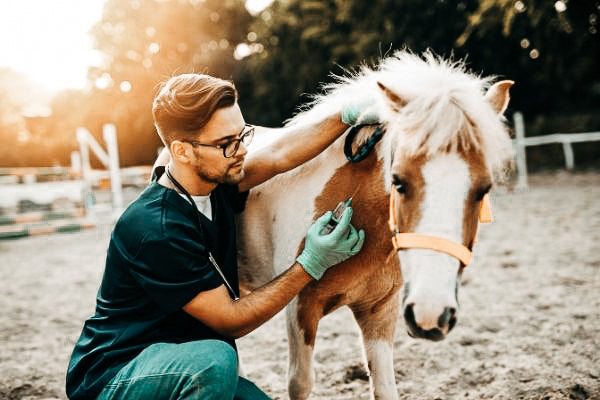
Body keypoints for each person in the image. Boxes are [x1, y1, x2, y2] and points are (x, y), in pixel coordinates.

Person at [66, 73, 376, 400]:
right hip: (116, 375)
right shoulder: (156, 228)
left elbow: (279, 156)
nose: (241, 150)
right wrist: (311, 263)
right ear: (182, 152)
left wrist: (344, 116)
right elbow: (230, 320)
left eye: (242, 135)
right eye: (226, 143)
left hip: (184, 363)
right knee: (216, 361)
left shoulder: (217, 182)